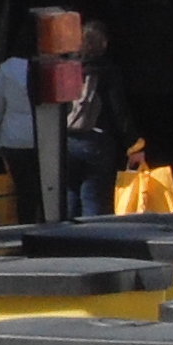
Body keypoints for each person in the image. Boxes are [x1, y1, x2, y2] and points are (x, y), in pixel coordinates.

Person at [67, 22, 121, 215]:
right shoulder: (107, 72)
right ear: (104, 44)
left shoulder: (70, 70)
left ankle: (64, 239)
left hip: (69, 139)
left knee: (70, 194)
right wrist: (134, 142)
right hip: (97, 140)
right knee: (93, 196)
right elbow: (118, 110)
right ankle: (91, 241)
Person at [0, 46, 38, 221]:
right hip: (45, 136)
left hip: (14, 139)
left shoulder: (5, 71)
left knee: (24, 191)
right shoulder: (46, 67)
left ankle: (25, 230)